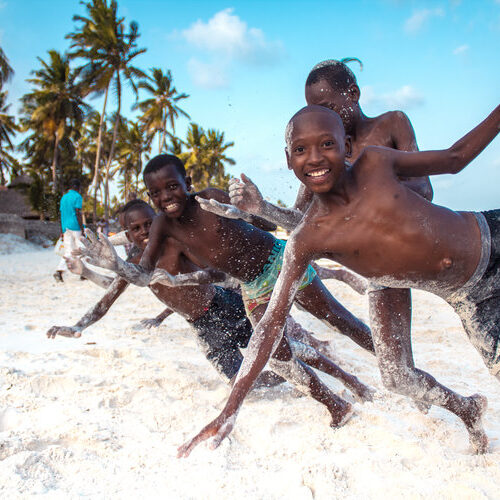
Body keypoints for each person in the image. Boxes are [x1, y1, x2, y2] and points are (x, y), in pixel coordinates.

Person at [178, 103, 499, 457]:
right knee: (397, 377)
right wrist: (229, 409)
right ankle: (466, 408)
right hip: (466, 294)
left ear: (347, 147)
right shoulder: (308, 237)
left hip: (489, 239)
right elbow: (270, 324)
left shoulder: (376, 162)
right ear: (288, 160)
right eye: (301, 150)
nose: (314, 158)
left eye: (326, 144)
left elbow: (456, 158)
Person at [76, 154, 375, 429]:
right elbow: (143, 274)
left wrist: (244, 210)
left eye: (171, 187)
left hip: (279, 262)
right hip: (252, 287)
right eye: (156, 193)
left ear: (187, 184)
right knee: (278, 358)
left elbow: (264, 224)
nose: (165, 197)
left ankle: (391, 367)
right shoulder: (163, 227)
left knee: (339, 320)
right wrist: (115, 264)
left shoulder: (209, 198)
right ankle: (336, 405)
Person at [59, 199, 372, 400]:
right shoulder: (134, 263)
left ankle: (346, 377)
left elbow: (213, 270)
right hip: (203, 327)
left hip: (225, 305)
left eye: (147, 225)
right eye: (135, 228)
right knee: (242, 383)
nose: (143, 232)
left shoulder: (174, 246)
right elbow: (108, 296)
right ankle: (295, 375)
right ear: (126, 232)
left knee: (278, 346)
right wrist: (78, 322)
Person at [54, 179, 83, 283]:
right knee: (80, 249)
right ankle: (83, 272)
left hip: (65, 227)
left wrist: (61, 230)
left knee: (69, 250)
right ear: (77, 187)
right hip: (75, 226)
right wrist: (82, 228)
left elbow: (61, 215)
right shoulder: (77, 196)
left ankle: (59, 271)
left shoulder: (64, 197)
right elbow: (78, 213)